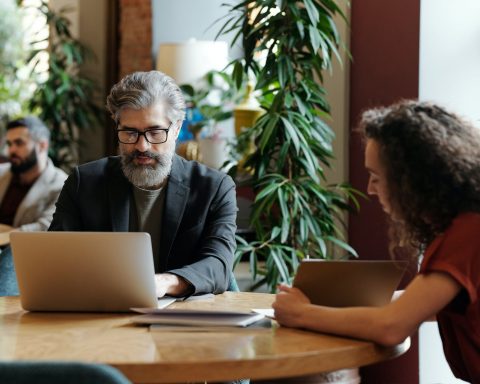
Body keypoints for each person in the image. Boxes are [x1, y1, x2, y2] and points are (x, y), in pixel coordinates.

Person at [272, 100, 480, 382]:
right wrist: (334, 302)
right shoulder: (467, 224)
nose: (370, 189)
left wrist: (301, 314)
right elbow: (418, 304)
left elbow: (392, 327)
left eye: (376, 177)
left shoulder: (465, 233)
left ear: (413, 180)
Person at [49, 70, 237, 298]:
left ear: (176, 129)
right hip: (100, 311)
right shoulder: (84, 182)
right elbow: (56, 259)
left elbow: (218, 265)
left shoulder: (214, 188)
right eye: (130, 132)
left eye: (155, 132)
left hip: (182, 316)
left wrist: (167, 282)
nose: (142, 146)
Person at [0, 116, 67, 232]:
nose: (11, 150)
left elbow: (44, 228)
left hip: (26, 248)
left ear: (42, 145)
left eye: (19, 143)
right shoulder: (2, 172)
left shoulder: (62, 184)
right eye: (9, 144)